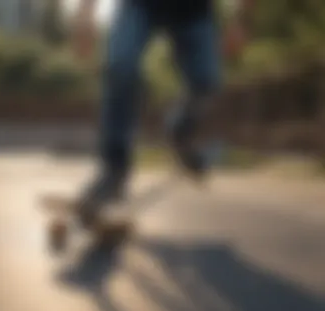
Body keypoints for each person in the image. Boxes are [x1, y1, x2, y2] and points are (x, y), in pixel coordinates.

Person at [73, 0, 251, 225]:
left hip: (193, 11)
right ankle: (114, 169)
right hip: (139, 5)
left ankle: (179, 132)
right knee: (121, 66)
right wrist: (85, 13)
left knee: (207, 81)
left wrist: (239, 22)